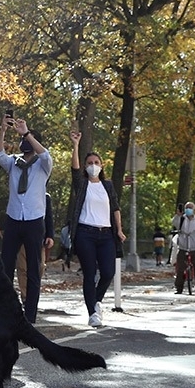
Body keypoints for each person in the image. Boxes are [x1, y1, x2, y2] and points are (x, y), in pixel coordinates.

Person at [0, 114, 52, 323]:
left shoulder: (42, 165)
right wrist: (3, 130)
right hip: (14, 219)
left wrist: (27, 132)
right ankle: (6, 310)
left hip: (35, 221)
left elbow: (45, 156)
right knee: (6, 265)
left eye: (28, 139)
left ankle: (30, 315)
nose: (25, 141)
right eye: (23, 140)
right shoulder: (14, 163)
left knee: (34, 270)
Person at [68, 131, 125, 327]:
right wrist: (76, 145)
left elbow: (115, 207)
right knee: (90, 273)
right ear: (86, 166)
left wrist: (119, 229)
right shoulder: (82, 184)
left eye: (96, 162)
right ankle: (92, 313)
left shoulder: (107, 186)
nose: (93, 165)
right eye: (90, 163)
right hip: (85, 234)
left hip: (106, 234)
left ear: (101, 166)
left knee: (108, 272)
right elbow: (74, 170)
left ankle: (97, 301)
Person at [171, 201, 195, 295]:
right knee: (180, 268)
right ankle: (179, 287)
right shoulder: (181, 219)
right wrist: (178, 215)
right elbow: (174, 223)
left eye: (190, 208)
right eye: (187, 207)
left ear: (193, 209)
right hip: (183, 246)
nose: (188, 209)